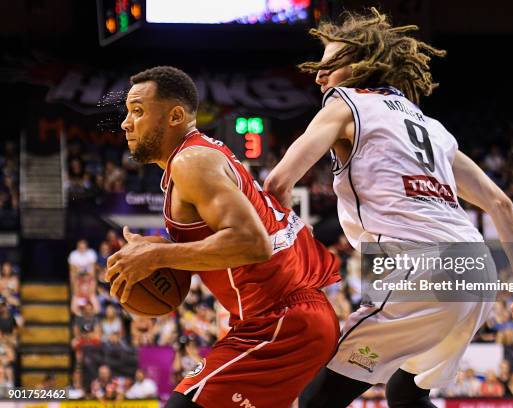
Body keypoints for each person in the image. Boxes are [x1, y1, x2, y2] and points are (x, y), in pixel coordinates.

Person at [264, 8, 513, 408]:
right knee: (406, 393)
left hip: (421, 265)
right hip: (476, 269)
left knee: (315, 397)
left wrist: (283, 269)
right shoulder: (433, 128)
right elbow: (500, 202)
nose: (318, 76)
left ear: (360, 65)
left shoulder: (345, 104)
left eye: (327, 65)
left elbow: (277, 183)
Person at [106, 66, 341, 408]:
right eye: (128, 112)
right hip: (271, 320)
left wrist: (156, 257)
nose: (127, 122)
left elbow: (252, 243)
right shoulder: (196, 158)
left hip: (283, 321)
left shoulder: (191, 162)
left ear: (175, 116)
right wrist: (165, 249)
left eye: (138, 111)